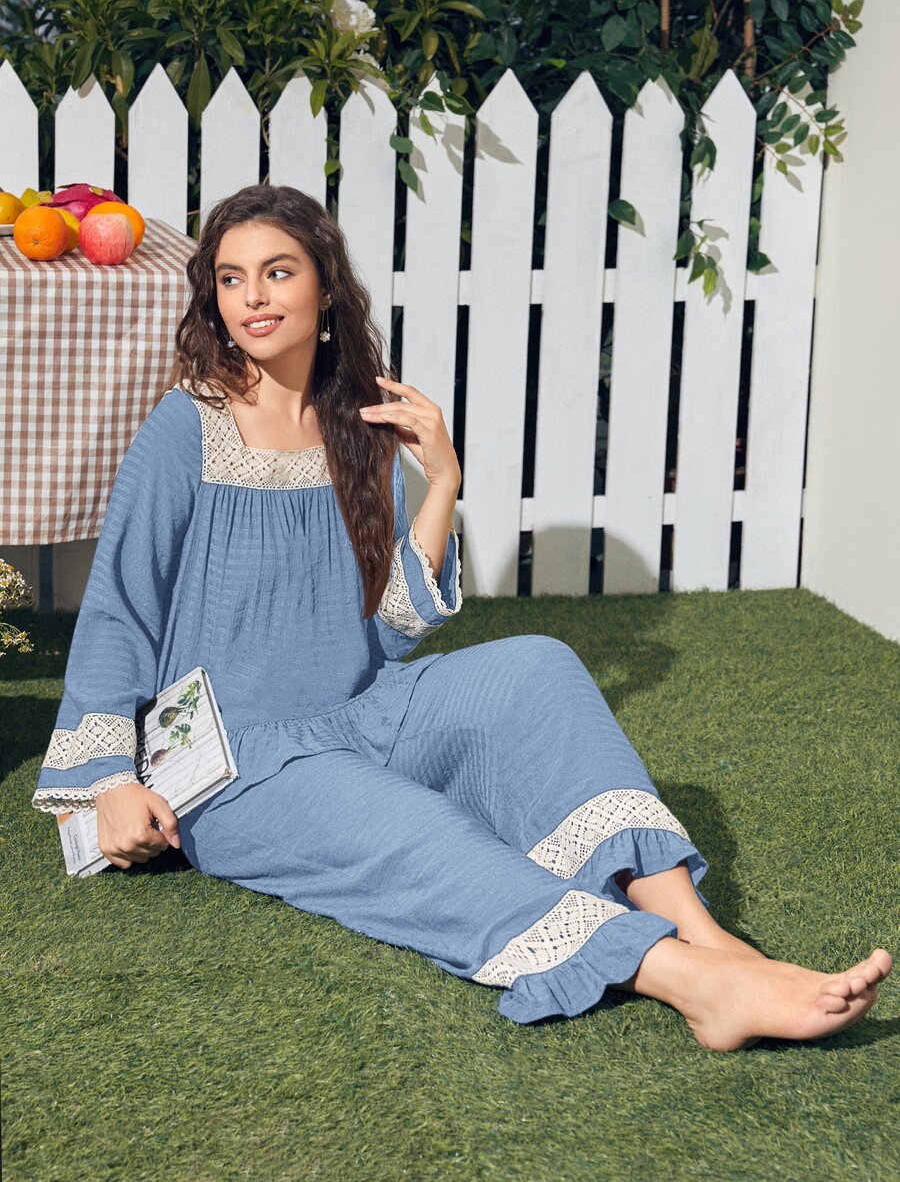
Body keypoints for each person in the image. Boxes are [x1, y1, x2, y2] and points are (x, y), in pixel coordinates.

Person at [32, 184, 891, 1051]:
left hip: (365, 710)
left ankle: (706, 933)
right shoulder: (184, 427)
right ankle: (695, 984)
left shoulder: (360, 425)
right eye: (230, 278)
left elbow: (385, 626)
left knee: (538, 665)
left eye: (277, 272)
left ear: (325, 286)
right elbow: (119, 609)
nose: (252, 296)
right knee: (424, 835)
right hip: (240, 765)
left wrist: (441, 481)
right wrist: (109, 782)